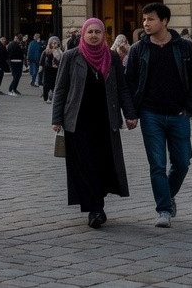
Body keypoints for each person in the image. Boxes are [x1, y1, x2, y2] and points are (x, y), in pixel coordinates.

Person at [51, 18, 137, 228]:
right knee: (84, 165)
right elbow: (61, 89)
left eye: (97, 32)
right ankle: (95, 209)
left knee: (102, 164)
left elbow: (122, 88)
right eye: (90, 32)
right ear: (83, 34)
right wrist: (56, 119)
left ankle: (97, 202)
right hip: (78, 121)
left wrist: (130, 114)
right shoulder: (72, 56)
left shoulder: (112, 57)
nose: (93, 36)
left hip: (105, 121)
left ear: (103, 35)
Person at [124, 3, 192, 227]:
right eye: (144, 19)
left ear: (165, 21)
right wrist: (132, 113)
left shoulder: (184, 47)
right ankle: (164, 210)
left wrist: (190, 107)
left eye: (151, 19)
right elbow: (129, 83)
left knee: (182, 162)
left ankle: (168, 195)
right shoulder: (138, 49)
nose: (146, 24)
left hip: (179, 114)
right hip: (151, 115)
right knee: (157, 164)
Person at [41, 37, 63, 102]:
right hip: (47, 69)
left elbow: (61, 61)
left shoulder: (60, 52)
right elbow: (42, 60)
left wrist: (55, 54)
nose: (54, 45)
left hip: (56, 70)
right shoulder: (46, 51)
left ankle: (54, 97)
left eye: (55, 43)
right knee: (46, 84)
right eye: (52, 43)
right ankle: (46, 97)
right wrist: (41, 67)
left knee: (55, 83)